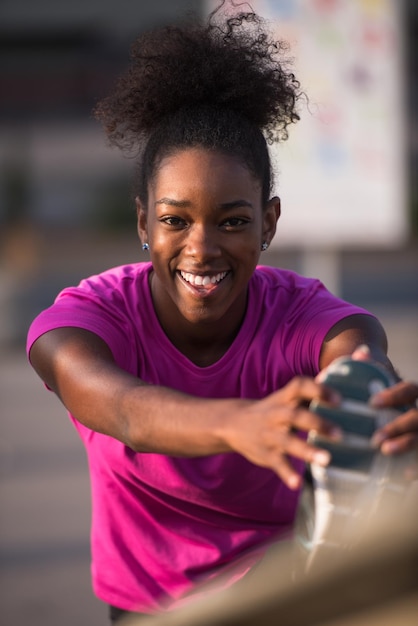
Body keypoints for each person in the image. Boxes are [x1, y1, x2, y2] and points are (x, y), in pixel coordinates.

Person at [26, 4, 418, 624]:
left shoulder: (310, 319)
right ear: (142, 223)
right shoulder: (86, 319)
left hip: (283, 595)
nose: (201, 248)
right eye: (174, 220)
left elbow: (358, 360)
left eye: (233, 221)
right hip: (147, 608)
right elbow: (122, 408)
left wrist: (382, 421)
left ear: (269, 223)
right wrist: (239, 423)